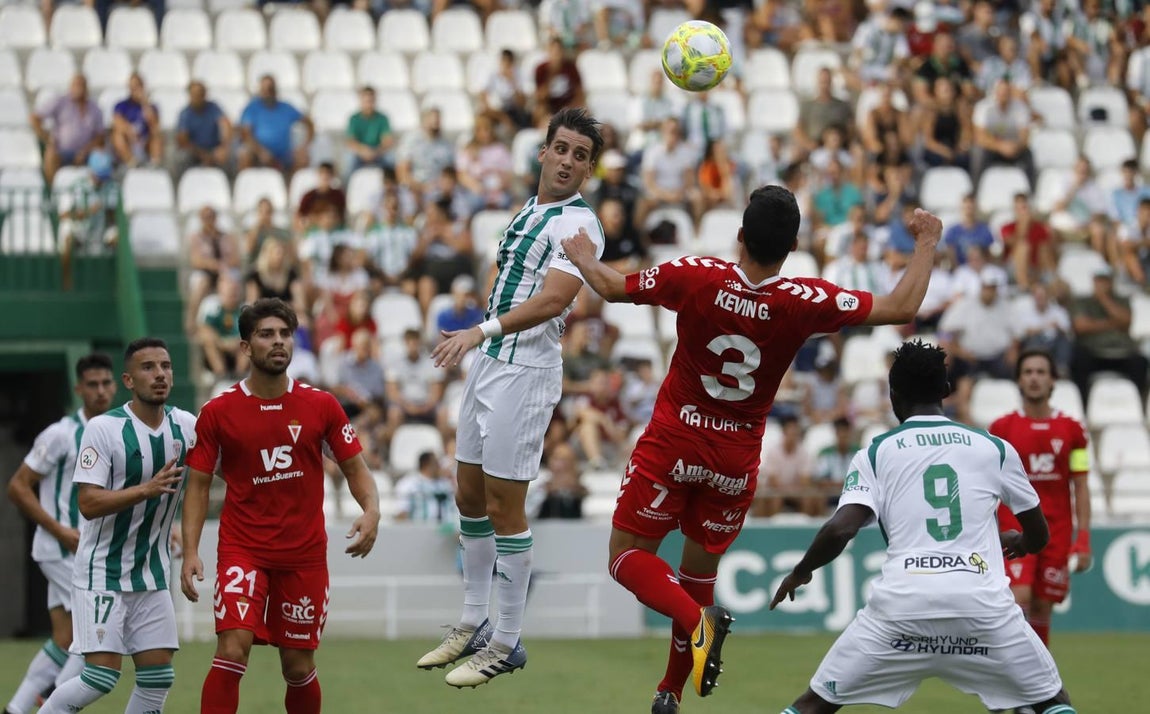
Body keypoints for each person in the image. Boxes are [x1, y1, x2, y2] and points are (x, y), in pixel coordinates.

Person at [559, 185, 943, 714]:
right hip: (735, 460)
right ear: (793, 247)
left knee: (626, 557)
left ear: (739, 235)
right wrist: (926, 242)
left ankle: (697, 623)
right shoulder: (806, 299)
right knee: (697, 575)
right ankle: (670, 691)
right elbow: (902, 305)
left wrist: (583, 256)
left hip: (675, 442)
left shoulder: (696, 275)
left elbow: (611, 287)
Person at [769, 340, 1078, 714]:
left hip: (901, 609)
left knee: (814, 704)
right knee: (1052, 701)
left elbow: (840, 530)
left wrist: (801, 572)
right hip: (982, 608)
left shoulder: (876, 453)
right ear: (946, 390)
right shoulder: (994, 448)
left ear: (893, 395)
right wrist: (1022, 542)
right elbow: (1039, 532)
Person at [415, 107, 606, 687]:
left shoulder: (580, 225)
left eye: (580, 155)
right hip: (491, 364)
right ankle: (473, 620)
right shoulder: (529, 210)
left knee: (505, 505)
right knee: (468, 494)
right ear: (543, 153)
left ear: (588, 170)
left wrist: (480, 330)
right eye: (561, 149)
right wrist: (484, 336)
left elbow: (553, 301)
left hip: (525, 372)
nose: (568, 161)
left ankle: (507, 640)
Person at [181, 298, 381, 714]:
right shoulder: (218, 412)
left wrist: (371, 510)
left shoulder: (321, 405)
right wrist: (191, 550)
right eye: (266, 334)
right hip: (243, 550)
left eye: (285, 334)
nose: (278, 342)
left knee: (297, 665)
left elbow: (356, 469)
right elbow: (197, 486)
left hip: (303, 556)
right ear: (245, 346)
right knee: (232, 649)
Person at [38, 339, 195, 714]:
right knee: (100, 678)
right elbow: (88, 503)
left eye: (165, 366)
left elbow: (214, 475)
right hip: (103, 573)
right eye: (148, 367)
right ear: (128, 380)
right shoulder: (104, 429)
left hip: (151, 574)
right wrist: (146, 490)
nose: (159, 374)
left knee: (158, 677)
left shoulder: (187, 426)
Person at [4, 354, 116, 714]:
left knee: (65, 638)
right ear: (78, 389)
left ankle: (17, 708)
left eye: (106, 383)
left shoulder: (116, 430)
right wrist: (60, 531)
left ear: (116, 385)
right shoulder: (61, 434)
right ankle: (52, 703)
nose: (100, 391)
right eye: (92, 385)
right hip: (62, 549)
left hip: (83, 550)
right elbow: (18, 486)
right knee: (95, 633)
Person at [991, 350, 1091, 649]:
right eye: (1028, 372)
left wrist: (1083, 539)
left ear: (1052, 381)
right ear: (1019, 380)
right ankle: (1015, 666)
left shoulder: (1073, 431)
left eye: (1041, 372)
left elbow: (1081, 485)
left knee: (1043, 606)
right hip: (1015, 527)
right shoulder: (1001, 429)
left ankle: (1039, 671)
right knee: (1019, 597)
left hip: (1057, 530)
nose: (1034, 378)